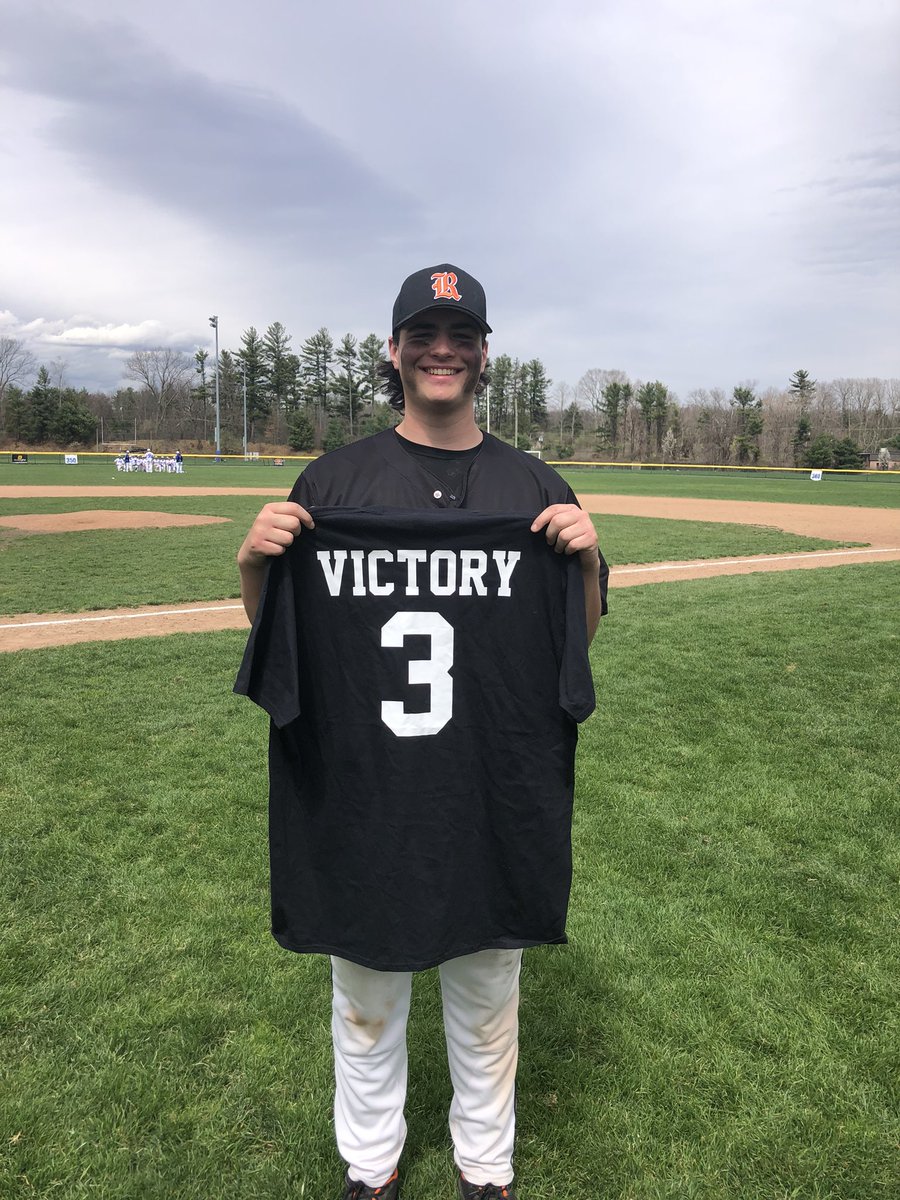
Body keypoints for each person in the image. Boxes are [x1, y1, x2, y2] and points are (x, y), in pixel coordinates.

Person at [236, 264, 607, 1200]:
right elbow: (280, 636)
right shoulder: (335, 481)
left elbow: (577, 639)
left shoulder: (532, 484)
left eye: (461, 335)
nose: (442, 351)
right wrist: (255, 561)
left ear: (485, 354)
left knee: (487, 993)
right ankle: (373, 1166)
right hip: (368, 789)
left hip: (489, 785)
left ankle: (487, 1168)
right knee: (367, 997)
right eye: (424, 334)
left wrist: (586, 556)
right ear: (394, 351)